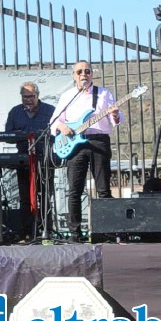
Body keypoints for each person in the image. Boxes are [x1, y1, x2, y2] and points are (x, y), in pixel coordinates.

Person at [50, 60, 123, 243]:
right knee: (74, 190)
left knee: (103, 189)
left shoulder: (104, 93)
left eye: (87, 71)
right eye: (80, 71)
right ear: (74, 75)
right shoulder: (68, 96)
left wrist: (114, 114)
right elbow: (54, 121)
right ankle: (75, 234)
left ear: (92, 74)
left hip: (99, 141)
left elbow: (117, 118)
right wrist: (62, 126)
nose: (84, 74)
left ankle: (106, 232)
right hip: (76, 144)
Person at [5, 82, 55, 241]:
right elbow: (8, 136)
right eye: (25, 97)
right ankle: (27, 232)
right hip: (23, 160)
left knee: (46, 196)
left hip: (44, 158)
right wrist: (21, 134)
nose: (28, 100)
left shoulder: (49, 110)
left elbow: (57, 133)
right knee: (25, 197)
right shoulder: (15, 112)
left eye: (31, 97)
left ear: (37, 95)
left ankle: (47, 231)